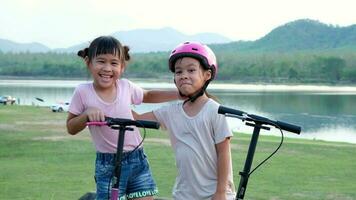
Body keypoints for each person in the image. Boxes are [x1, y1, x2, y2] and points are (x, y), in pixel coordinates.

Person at [66, 36, 178, 200]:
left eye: (114, 63)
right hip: (107, 164)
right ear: (89, 63)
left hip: (137, 158)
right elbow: (71, 127)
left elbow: (148, 95)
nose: (107, 68)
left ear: (122, 67)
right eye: (101, 61)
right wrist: (85, 115)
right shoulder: (83, 92)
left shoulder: (126, 87)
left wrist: (179, 94)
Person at [134, 41, 236, 200]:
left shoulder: (215, 110)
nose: (184, 75)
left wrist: (221, 192)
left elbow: (224, 153)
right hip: (184, 194)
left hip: (214, 194)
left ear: (207, 75)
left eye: (191, 70)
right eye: (178, 71)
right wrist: (115, 94)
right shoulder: (171, 111)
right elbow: (136, 119)